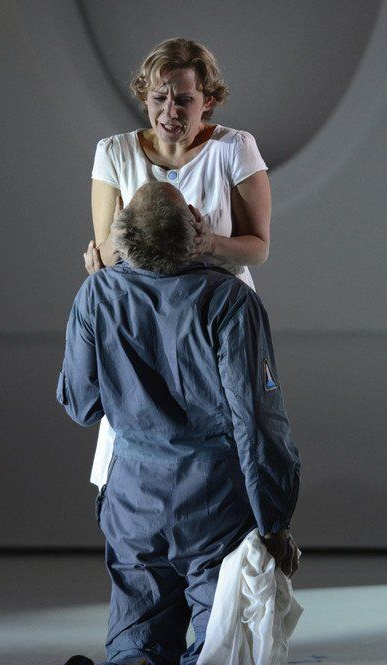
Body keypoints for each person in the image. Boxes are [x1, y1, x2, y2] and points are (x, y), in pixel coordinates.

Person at [33, 181, 300, 665]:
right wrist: (274, 522)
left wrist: (101, 306)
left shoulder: (97, 295)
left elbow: (80, 405)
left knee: (138, 648)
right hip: (215, 507)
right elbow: (258, 421)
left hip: (132, 504)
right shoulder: (229, 300)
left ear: (123, 237)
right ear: (196, 227)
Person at [85, 37, 272, 491]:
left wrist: (208, 243)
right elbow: (104, 253)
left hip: (215, 319)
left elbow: (258, 248)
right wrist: (118, 249)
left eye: (184, 100)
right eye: (159, 98)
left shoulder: (234, 148)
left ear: (207, 101)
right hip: (144, 320)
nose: (170, 112)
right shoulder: (114, 152)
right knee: (139, 435)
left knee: (229, 435)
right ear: (145, 97)